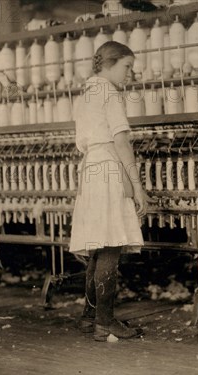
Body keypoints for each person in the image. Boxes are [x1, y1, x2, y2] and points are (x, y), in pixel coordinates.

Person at [69, 41, 152, 342]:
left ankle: (90, 317)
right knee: (111, 245)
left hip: (91, 169)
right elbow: (121, 143)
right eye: (127, 66)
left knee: (98, 246)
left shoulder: (86, 94)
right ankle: (105, 322)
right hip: (107, 170)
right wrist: (138, 186)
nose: (131, 73)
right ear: (110, 63)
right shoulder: (110, 93)